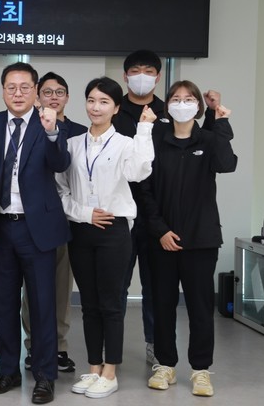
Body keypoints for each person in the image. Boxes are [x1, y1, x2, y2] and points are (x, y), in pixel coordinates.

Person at [0, 63, 70, 405]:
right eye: (11, 87)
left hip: (37, 229)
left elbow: (60, 164)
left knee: (43, 305)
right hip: (0, 228)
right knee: (3, 304)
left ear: (36, 92)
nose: (18, 93)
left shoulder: (50, 125)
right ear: (1, 91)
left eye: (25, 87)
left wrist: (52, 131)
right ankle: (8, 371)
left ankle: (44, 375)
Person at [56, 76, 155, 399]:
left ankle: (110, 371)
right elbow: (60, 192)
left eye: (103, 102)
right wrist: (86, 214)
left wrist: (144, 130)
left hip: (114, 230)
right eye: (91, 100)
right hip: (81, 229)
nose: (95, 107)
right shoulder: (72, 144)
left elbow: (139, 172)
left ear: (116, 108)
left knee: (111, 304)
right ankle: (94, 367)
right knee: (89, 304)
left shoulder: (126, 144)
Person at [142, 82, 236, 397]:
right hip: (162, 239)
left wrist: (220, 120)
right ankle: (165, 365)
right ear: (167, 105)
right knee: (163, 305)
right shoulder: (156, 139)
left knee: (200, 307)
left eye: (189, 99)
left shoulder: (209, 139)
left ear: (198, 106)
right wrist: (159, 230)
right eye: (176, 98)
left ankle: (201, 370)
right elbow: (144, 189)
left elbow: (226, 164)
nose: (182, 104)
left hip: (201, 239)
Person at [21, 72, 87, 374]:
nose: (54, 97)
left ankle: (58, 346)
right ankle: (33, 345)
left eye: (60, 92)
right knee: (32, 289)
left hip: (68, 220)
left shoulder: (80, 132)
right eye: (47, 92)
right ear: (38, 96)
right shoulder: (27, 127)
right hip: (33, 220)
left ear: (68, 97)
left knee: (60, 288)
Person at [112, 49, 164, 365]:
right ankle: (111, 349)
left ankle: (155, 346)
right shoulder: (113, 110)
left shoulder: (168, 112)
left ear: (157, 77)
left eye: (148, 70)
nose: (141, 76)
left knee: (155, 286)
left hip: (157, 213)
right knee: (116, 285)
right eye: (135, 70)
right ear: (125, 76)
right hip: (121, 211)